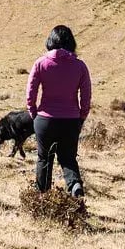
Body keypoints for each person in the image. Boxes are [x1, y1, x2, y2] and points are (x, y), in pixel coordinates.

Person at [25, 25, 91, 196]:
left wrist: (34, 114)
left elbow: (30, 93)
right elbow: (86, 96)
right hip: (71, 120)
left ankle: (42, 198)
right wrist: (81, 117)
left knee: (44, 159)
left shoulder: (40, 63)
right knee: (68, 158)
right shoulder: (80, 66)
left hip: (45, 119)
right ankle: (74, 185)